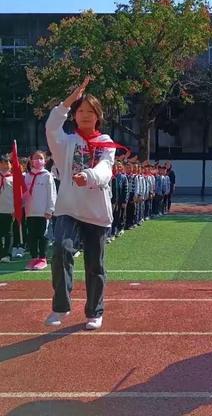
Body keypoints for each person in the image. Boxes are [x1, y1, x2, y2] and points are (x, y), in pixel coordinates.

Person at [44, 76, 118, 330]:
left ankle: (94, 311)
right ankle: (60, 306)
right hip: (68, 208)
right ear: (74, 115)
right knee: (61, 250)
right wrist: (69, 100)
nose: (85, 115)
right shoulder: (65, 142)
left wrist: (87, 176)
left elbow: (106, 169)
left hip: (96, 213)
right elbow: (52, 126)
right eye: (81, 111)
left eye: (90, 111)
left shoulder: (106, 142)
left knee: (95, 264)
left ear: (98, 116)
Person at [23, 150, 57, 270]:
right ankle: (33, 258)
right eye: (35, 158)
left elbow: (52, 194)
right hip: (30, 212)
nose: (38, 160)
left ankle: (42, 258)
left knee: (43, 235)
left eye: (41, 158)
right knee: (31, 236)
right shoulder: (26, 176)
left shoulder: (47, 176)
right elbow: (21, 194)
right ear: (31, 160)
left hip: (43, 212)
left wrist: (50, 209)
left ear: (45, 160)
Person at [0, 155, 14, 263]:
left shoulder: (14, 178)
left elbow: (18, 196)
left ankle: (7, 254)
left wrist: (16, 209)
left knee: (8, 232)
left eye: (8, 163)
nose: (6, 165)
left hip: (9, 210)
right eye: (3, 163)